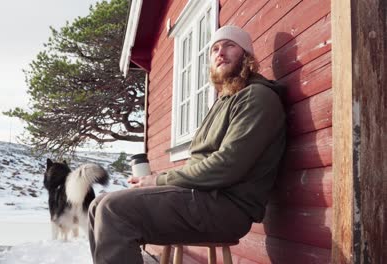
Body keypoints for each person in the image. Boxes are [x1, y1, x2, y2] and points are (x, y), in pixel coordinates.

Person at [88, 25, 286, 264]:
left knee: (113, 209)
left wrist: (159, 181)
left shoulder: (257, 97)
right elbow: (200, 164)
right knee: (96, 205)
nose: (220, 52)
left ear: (247, 56)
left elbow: (227, 166)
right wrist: (157, 180)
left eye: (230, 45)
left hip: (227, 208)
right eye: (215, 48)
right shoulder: (225, 100)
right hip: (201, 199)